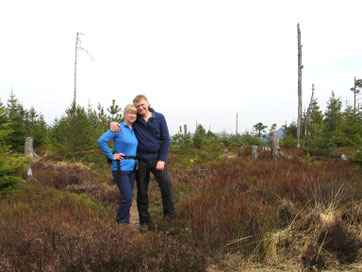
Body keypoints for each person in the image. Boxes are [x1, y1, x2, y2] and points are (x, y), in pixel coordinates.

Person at [110, 95, 175, 229]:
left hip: (157, 159)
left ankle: (169, 216)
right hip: (140, 161)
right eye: (137, 106)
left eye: (142, 105)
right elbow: (122, 124)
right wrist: (110, 123)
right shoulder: (136, 119)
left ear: (148, 103)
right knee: (142, 191)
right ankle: (144, 221)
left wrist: (162, 159)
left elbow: (166, 139)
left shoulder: (159, 118)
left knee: (166, 185)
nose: (140, 108)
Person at [98, 104, 138, 224]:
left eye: (134, 113)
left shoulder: (134, 130)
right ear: (125, 114)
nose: (132, 115)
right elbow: (101, 141)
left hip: (132, 168)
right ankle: (121, 223)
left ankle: (125, 220)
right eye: (129, 113)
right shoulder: (118, 128)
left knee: (129, 197)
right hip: (121, 168)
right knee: (127, 196)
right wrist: (111, 155)